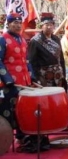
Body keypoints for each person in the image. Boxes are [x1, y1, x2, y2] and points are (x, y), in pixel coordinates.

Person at [0, 13, 35, 142]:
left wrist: (32, 76)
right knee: (9, 110)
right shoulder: (2, 39)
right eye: (15, 23)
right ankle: (6, 138)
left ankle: (22, 135)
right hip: (11, 83)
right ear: (8, 24)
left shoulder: (22, 39)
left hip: (24, 82)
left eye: (19, 23)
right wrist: (7, 79)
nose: (18, 25)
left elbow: (27, 60)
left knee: (23, 109)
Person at [28, 12, 66, 89]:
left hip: (58, 74)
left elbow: (61, 58)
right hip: (44, 76)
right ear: (42, 26)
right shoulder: (35, 41)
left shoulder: (56, 39)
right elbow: (32, 61)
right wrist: (36, 77)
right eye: (46, 25)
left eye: (51, 25)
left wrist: (63, 73)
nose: (49, 27)